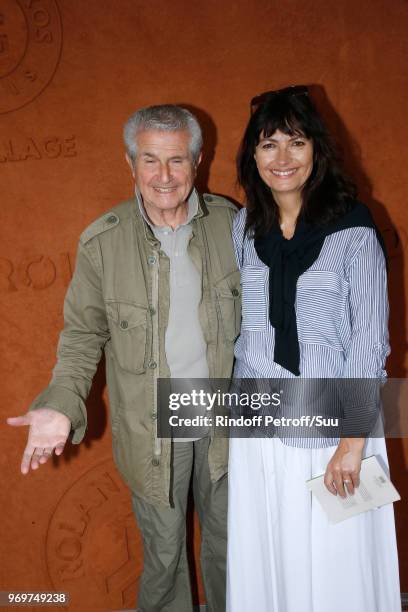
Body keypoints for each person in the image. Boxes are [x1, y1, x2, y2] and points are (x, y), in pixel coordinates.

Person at [7, 105, 241, 612]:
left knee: (231, 551)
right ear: (130, 162)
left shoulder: (233, 227)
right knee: (163, 557)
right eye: (150, 160)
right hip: (152, 425)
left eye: (176, 160)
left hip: (226, 417)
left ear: (196, 162)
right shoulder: (102, 243)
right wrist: (60, 402)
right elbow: (81, 337)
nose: (163, 176)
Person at [226, 86, 401, 612]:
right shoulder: (244, 226)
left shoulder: (354, 229)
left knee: (336, 561)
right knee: (268, 549)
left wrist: (351, 444)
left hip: (334, 423)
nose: (281, 158)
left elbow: (371, 349)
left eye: (295, 142)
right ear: (252, 156)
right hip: (259, 424)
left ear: (316, 151)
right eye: (268, 144)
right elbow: (251, 327)